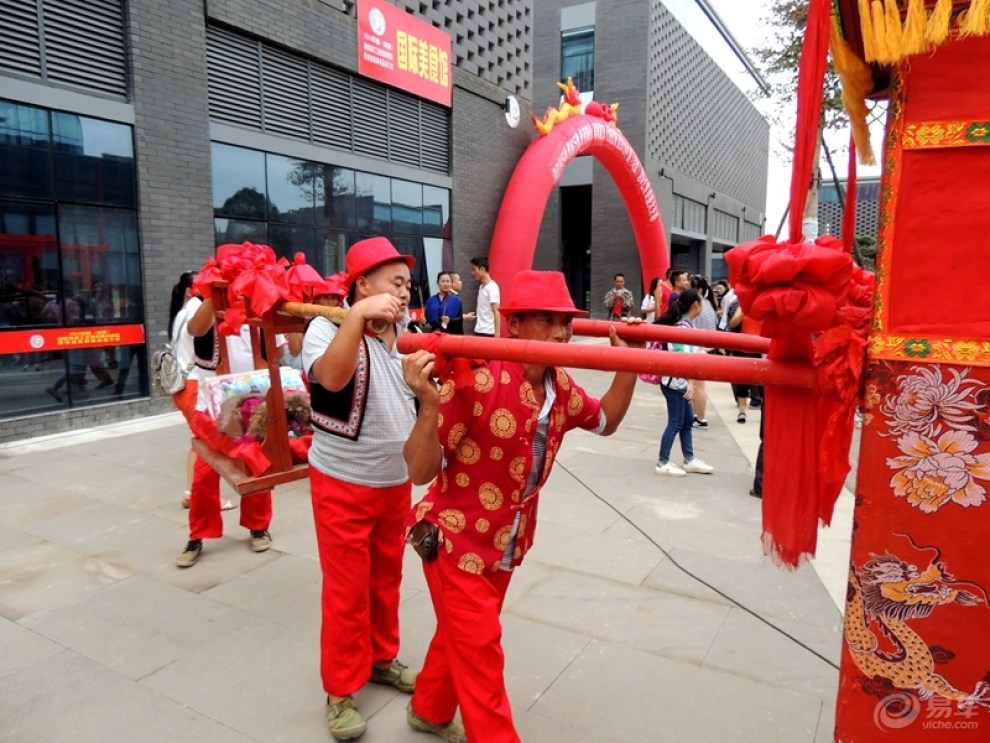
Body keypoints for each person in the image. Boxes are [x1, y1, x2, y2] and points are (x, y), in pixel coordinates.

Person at [401, 270, 642, 743]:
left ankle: (429, 709)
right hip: (455, 543)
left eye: (566, 323)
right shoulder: (478, 380)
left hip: (508, 544)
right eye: (547, 320)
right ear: (513, 325)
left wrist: (627, 366)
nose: (561, 333)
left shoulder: (562, 388)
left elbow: (606, 420)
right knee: (481, 651)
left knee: (465, 638)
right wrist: (429, 405)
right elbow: (419, 470)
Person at [301, 237, 420, 741]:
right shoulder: (323, 326)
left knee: (385, 580)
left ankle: (381, 658)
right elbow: (330, 377)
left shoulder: (409, 333)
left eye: (407, 284)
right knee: (346, 589)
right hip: (342, 481)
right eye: (395, 282)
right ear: (363, 285)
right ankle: (340, 689)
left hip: (395, 483)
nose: (403, 292)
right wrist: (355, 318)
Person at [175, 281, 277, 567]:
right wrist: (214, 292)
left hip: (251, 403)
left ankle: (259, 525)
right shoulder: (203, 305)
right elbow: (196, 329)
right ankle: (197, 534)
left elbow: (279, 347)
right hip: (212, 405)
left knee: (257, 467)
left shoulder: (259, 304)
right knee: (204, 473)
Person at [167, 272, 236, 511]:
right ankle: (200, 495)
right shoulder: (196, 309)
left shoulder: (180, 312)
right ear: (191, 290)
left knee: (201, 441)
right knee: (205, 443)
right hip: (193, 384)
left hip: (182, 384)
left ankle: (191, 492)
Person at [653, 289, 715, 477]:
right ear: (696, 305)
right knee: (676, 422)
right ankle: (662, 462)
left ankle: (689, 459)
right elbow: (682, 358)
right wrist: (690, 383)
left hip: (680, 383)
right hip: (676, 384)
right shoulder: (682, 328)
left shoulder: (685, 326)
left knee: (687, 421)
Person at [688, 276, 718, 431]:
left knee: (697, 386)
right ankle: (696, 415)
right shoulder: (709, 305)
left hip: (697, 349)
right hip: (705, 348)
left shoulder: (697, 306)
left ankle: (701, 418)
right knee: (697, 385)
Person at [462, 256, 500, 337]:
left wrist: (497, 334)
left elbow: (496, 312)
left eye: (474, 269)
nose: (473, 273)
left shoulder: (492, 287)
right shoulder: (481, 287)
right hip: (479, 330)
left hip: (488, 333)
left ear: (482, 269)